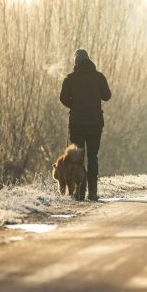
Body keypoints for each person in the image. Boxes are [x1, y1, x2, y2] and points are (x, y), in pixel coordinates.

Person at [60, 49, 111, 201]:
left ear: (75, 62)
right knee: (93, 156)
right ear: (89, 60)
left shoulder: (70, 79)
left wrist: (73, 105)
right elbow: (107, 96)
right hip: (95, 123)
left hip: (76, 124)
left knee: (77, 159)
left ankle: (79, 194)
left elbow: (63, 98)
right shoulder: (99, 77)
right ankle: (93, 193)